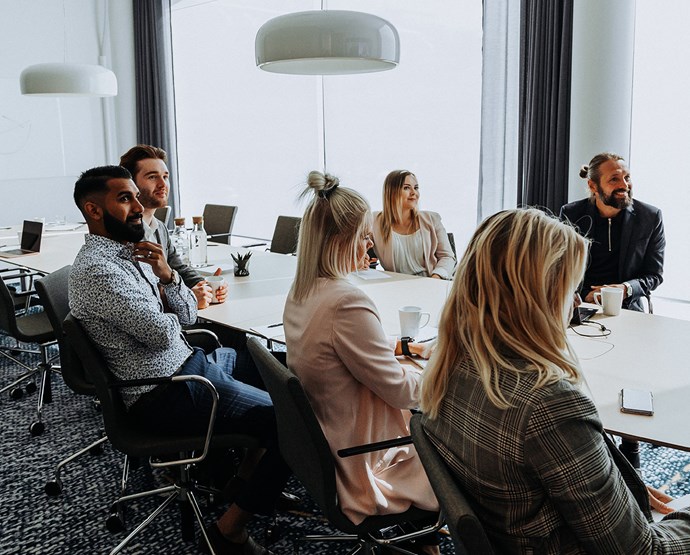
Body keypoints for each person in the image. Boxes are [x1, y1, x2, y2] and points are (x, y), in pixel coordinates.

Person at [419, 208, 690, 554]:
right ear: (539, 296)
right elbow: (643, 551)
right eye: (569, 288)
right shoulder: (548, 405)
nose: (574, 302)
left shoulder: (451, 366)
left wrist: (612, 484)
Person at [69, 165, 289, 555]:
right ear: (93, 210)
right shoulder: (99, 271)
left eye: (136, 196)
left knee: (276, 364)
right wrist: (170, 310)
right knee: (291, 421)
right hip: (165, 390)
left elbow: (187, 317)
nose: (139, 206)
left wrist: (167, 274)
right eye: (125, 198)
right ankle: (230, 530)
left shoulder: (130, 255)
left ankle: (245, 481)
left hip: (188, 363)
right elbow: (160, 333)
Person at [283, 171, 439, 554]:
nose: (370, 244)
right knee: (461, 444)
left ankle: (424, 543)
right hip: (364, 462)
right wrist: (449, 371)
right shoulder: (347, 301)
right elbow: (402, 392)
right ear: (339, 240)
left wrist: (404, 348)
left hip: (329, 438)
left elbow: (340, 345)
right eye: (364, 235)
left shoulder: (304, 289)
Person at [119, 144, 226, 310]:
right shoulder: (124, 235)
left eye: (165, 176)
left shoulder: (159, 227)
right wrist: (189, 296)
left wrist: (205, 286)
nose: (163, 184)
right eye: (152, 177)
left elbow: (177, 267)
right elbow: (143, 292)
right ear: (130, 184)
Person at [559, 153, 665, 312]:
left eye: (627, 177)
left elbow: (654, 275)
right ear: (593, 186)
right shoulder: (571, 214)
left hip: (628, 308)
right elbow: (560, 269)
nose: (625, 185)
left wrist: (626, 289)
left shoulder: (650, 217)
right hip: (580, 305)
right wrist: (586, 295)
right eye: (614, 179)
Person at [372, 170, 455, 279]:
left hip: (431, 282)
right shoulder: (374, 221)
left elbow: (447, 257)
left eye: (416, 188)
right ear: (391, 192)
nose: (414, 193)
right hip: (395, 286)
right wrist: (362, 258)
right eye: (406, 188)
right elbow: (355, 246)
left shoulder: (432, 219)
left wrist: (436, 277)